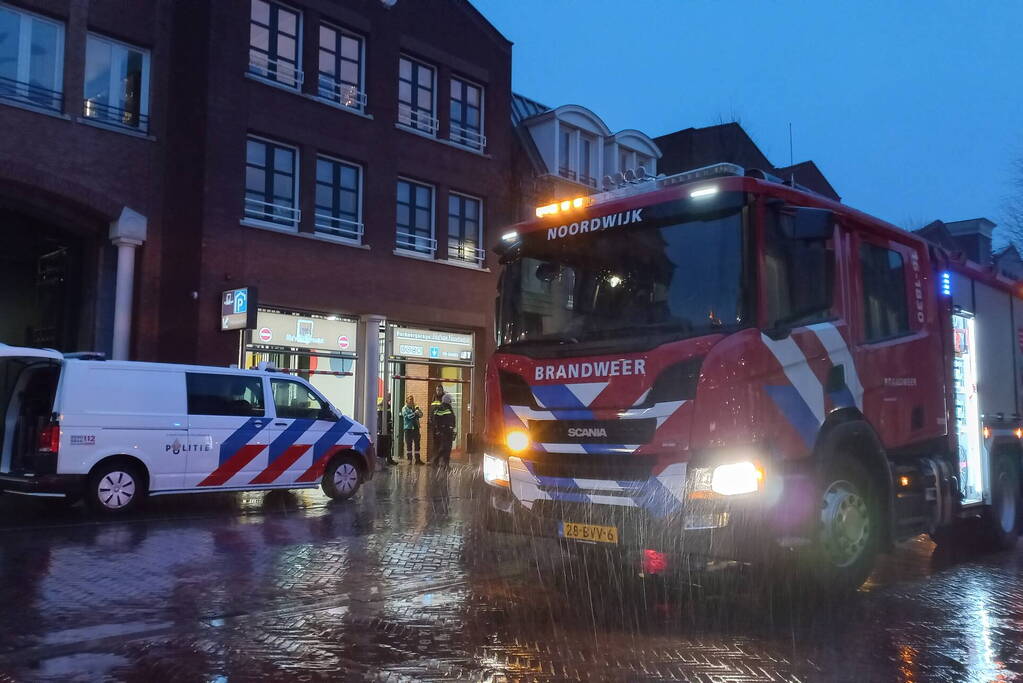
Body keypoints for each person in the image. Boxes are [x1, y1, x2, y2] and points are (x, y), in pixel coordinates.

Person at [430, 393, 456, 469]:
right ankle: (435, 460)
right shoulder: (441, 407)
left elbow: (452, 419)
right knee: (444, 447)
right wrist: (438, 430)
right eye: (450, 399)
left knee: (448, 448)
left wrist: (452, 427)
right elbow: (436, 419)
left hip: (449, 431)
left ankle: (446, 464)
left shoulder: (449, 407)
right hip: (443, 431)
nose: (451, 401)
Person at [400, 395, 424, 465]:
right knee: (409, 444)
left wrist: (418, 411)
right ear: (407, 401)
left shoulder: (415, 407)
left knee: (417, 444)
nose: (411, 401)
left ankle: (417, 460)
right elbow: (407, 417)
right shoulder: (404, 408)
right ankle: (409, 460)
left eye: (412, 400)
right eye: (410, 400)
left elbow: (421, 415)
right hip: (408, 428)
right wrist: (414, 413)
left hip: (416, 428)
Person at [376, 397, 397, 466]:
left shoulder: (387, 406)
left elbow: (389, 418)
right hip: (383, 430)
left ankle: (389, 459)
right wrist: (380, 429)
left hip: (387, 428)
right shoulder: (380, 409)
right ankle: (385, 460)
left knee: (389, 444)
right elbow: (380, 421)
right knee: (385, 445)